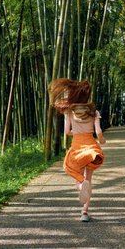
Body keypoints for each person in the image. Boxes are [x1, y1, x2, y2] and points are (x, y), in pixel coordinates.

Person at [48, 78, 106, 222]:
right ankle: (84, 212)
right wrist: (102, 140)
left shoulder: (69, 111)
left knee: (78, 176)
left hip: (77, 148)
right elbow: (98, 132)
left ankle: (81, 186)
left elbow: (67, 131)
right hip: (91, 147)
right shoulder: (94, 112)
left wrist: (76, 132)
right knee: (89, 179)